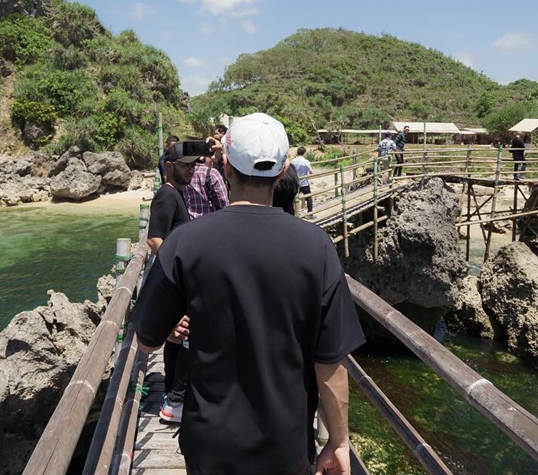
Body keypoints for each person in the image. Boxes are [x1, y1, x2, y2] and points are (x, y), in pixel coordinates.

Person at [134, 112, 366, 475]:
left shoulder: (185, 242)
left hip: (209, 443)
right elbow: (331, 362)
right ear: (282, 170)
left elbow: (146, 342)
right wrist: (338, 442)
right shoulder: (317, 247)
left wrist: (169, 327)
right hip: (285, 446)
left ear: (224, 165)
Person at [147, 140, 201, 424]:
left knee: (179, 338)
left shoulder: (177, 194)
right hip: (176, 280)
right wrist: (177, 270)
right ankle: (175, 399)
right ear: (170, 167)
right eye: (186, 165)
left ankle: (174, 394)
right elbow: (155, 238)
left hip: (177, 279)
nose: (192, 170)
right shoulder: (167, 196)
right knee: (184, 336)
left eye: (194, 165)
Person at [291, 146, 314, 213]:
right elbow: (311, 172)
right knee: (309, 198)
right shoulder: (306, 162)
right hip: (304, 183)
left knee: (293, 199)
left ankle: (293, 212)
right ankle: (310, 213)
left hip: (295, 183)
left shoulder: (293, 161)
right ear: (304, 153)